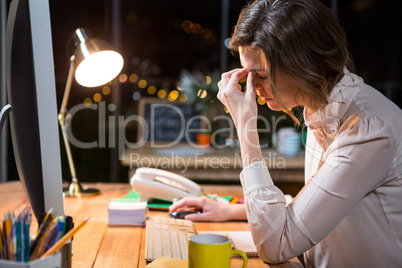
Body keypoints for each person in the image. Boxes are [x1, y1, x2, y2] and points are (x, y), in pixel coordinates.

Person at [169, 0, 402, 266]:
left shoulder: (369, 130)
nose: (253, 86)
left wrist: (246, 127)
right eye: (248, 74)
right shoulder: (323, 108)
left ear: (305, 64)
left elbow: (275, 246)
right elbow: (319, 203)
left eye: (262, 75)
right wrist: (231, 210)